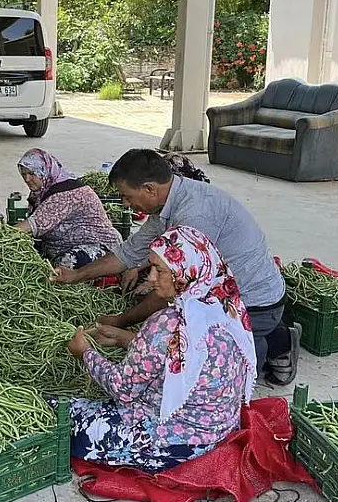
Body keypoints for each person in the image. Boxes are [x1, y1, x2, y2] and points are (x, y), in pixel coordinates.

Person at [0, 226, 256, 472]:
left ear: (185, 274)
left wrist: (85, 352)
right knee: (76, 405)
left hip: (172, 443)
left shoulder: (167, 323)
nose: (152, 278)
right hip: (217, 430)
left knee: (47, 414)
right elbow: (186, 356)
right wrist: (127, 340)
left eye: (160, 270)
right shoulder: (226, 308)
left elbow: (122, 390)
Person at [52, 149, 299, 386]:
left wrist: (122, 321)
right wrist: (76, 276)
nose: (125, 205)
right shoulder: (166, 205)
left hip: (252, 303)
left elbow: (172, 290)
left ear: (149, 189)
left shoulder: (194, 214)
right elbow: (128, 253)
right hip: (225, 291)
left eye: (127, 196)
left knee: (211, 368)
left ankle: (273, 343)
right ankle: (269, 338)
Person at [14, 148, 123, 269]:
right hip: (63, 247)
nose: (27, 179)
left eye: (32, 174)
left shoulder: (65, 193)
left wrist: (0, 236)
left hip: (100, 247)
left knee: (66, 265)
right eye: (24, 174)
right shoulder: (40, 192)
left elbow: (31, 225)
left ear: (44, 171)